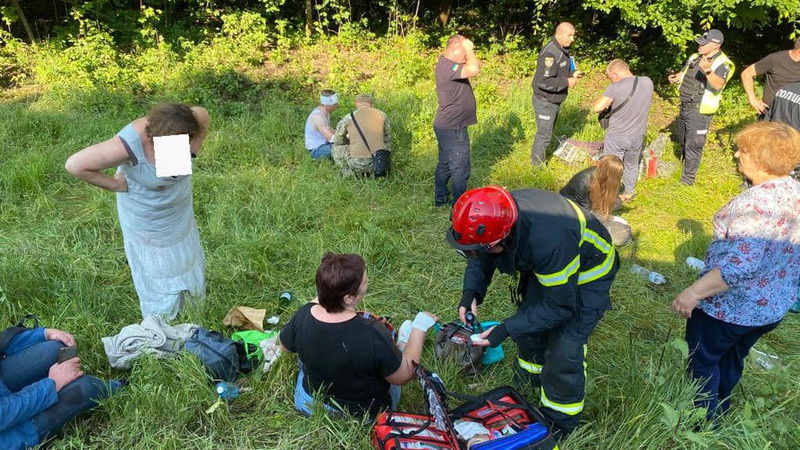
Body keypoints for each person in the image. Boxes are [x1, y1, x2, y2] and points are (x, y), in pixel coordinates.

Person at [446, 186, 619, 437]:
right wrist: (471, 292)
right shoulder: (495, 214)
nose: (473, 254)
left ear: (501, 239)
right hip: (551, 267)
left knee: (564, 345)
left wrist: (505, 330)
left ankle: (560, 420)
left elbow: (560, 306)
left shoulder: (549, 238)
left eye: (479, 249)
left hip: (587, 275)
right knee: (529, 322)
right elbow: (481, 253)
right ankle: (530, 381)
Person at [671, 121, 800, 420]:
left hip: (730, 309)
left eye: (743, 150)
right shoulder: (795, 192)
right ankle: (721, 406)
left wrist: (692, 293)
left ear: (760, 158)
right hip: (771, 306)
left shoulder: (756, 203)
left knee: (703, 360)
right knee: (732, 357)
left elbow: (740, 265)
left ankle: (702, 423)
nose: (737, 156)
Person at [65, 103, 209, 320]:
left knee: (184, 254)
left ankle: (190, 300)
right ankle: (163, 318)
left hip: (178, 211)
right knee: (158, 266)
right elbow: (75, 165)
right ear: (154, 139)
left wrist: (193, 149)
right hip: (147, 217)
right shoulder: (128, 145)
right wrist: (115, 185)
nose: (180, 149)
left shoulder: (185, 123)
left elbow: (202, 114)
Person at [279, 253, 438, 419]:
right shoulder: (372, 333)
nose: (367, 283)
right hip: (362, 414)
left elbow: (285, 346)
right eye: (365, 281)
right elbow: (403, 376)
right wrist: (420, 327)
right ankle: (405, 341)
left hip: (309, 403)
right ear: (349, 298)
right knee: (396, 365)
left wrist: (329, 290)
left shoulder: (303, 314)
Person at [0, 325, 123, 449]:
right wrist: (52, 384)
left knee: (56, 348)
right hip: (11, 434)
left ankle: (58, 382)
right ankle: (120, 386)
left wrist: (43, 334)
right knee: (84, 388)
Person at [668, 29, 735, 186]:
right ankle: (684, 166)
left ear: (715, 45)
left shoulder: (722, 63)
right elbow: (684, 74)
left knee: (694, 144)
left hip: (700, 110)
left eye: (703, 44)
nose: (699, 45)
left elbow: (718, 85)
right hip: (685, 104)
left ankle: (687, 181)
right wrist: (676, 77)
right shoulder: (695, 57)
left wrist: (708, 71)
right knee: (684, 139)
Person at [592, 59, 653, 200]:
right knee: (631, 164)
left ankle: (608, 196)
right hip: (638, 134)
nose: (610, 80)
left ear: (615, 73)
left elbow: (597, 108)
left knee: (611, 167)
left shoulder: (615, 87)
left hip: (617, 135)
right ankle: (628, 193)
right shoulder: (647, 82)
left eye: (609, 77)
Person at [433, 34, 480, 207]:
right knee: (460, 166)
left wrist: (466, 50)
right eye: (464, 53)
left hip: (447, 125)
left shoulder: (448, 65)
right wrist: (469, 48)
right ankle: (460, 206)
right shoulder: (447, 66)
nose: (467, 57)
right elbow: (474, 69)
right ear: (453, 50)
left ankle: (441, 197)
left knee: (445, 162)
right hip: (453, 126)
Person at [531, 22, 583, 166]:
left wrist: (574, 72)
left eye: (574, 35)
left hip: (554, 100)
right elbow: (543, 81)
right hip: (545, 101)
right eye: (570, 35)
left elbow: (566, 67)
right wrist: (567, 82)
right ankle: (537, 167)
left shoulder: (563, 49)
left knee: (548, 132)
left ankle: (540, 160)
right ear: (559, 34)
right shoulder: (550, 53)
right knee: (544, 135)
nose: (572, 39)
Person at [559, 155, 632, 246]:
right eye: (619, 175)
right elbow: (587, 214)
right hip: (573, 211)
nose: (620, 177)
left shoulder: (602, 177)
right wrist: (613, 218)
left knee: (618, 203)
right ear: (611, 174)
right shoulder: (583, 181)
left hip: (591, 207)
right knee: (621, 235)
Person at [331, 93, 391, 177]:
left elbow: (338, 140)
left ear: (356, 103)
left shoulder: (349, 117)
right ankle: (378, 172)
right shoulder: (382, 115)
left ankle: (347, 172)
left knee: (335, 148)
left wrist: (348, 141)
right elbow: (387, 137)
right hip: (378, 161)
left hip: (356, 163)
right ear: (372, 104)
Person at [740, 37, 800, 118]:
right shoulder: (775, 59)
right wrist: (753, 100)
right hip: (770, 114)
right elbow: (746, 74)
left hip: (793, 116)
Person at [305, 89, 339, 159]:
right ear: (326, 104)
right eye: (334, 104)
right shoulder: (318, 117)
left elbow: (329, 129)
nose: (337, 105)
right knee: (344, 148)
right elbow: (331, 138)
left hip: (325, 144)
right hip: (316, 150)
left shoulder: (325, 112)